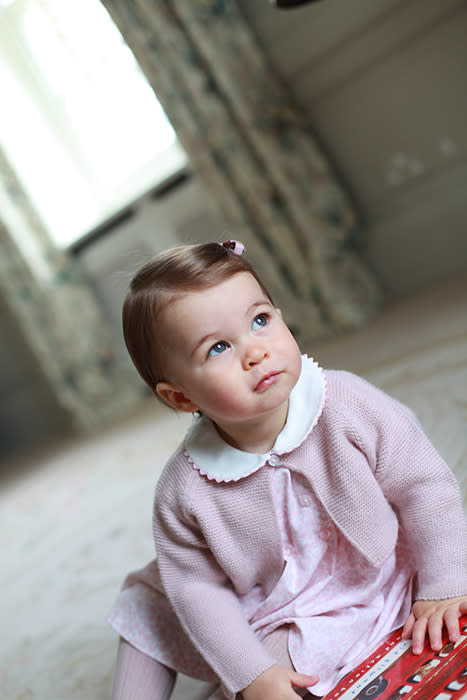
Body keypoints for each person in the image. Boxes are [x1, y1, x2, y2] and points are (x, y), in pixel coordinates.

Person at [108, 240, 467, 700]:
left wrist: (442, 584)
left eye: (260, 321)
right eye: (218, 347)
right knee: (150, 605)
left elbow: (426, 487)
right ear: (182, 397)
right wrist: (251, 672)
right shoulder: (185, 490)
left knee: (450, 581)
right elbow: (198, 592)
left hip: (383, 576)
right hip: (278, 612)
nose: (255, 352)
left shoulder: (346, 403)